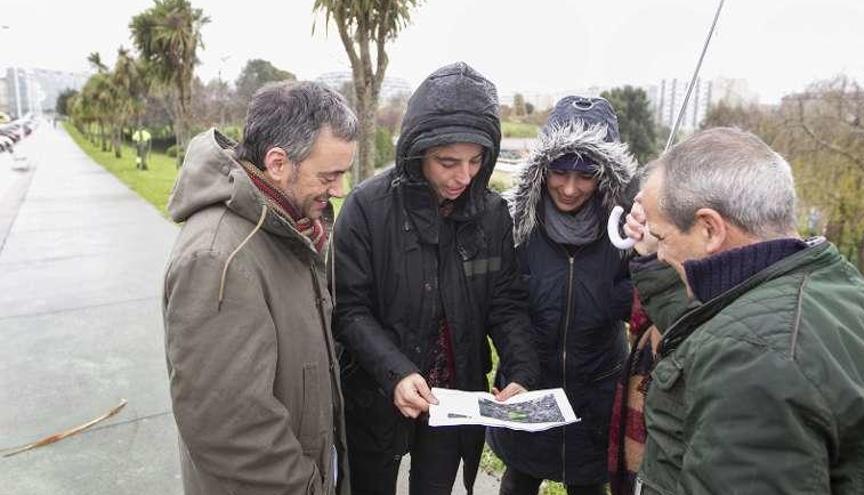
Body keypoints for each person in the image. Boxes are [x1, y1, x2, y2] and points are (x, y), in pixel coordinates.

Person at [622, 127, 864, 493]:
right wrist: (653, 255)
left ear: (710, 228)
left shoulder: (750, 358)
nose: (660, 253)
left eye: (662, 239)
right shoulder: (828, 285)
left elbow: (737, 339)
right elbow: (709, 326)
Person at [331, 61, 539, 495]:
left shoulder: (493, 215)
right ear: (417, 151)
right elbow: (350, 309)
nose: (463, 176)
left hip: (455, 397)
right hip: (378, 392)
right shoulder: (366, 208)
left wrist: (519, 369)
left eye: (475, 161)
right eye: (448, 162)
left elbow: (506, 303)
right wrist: (396, 372)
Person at [162, 80, 357, 495]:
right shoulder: (218, 257)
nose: (339, 189)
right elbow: (229, 430)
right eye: (330, 175)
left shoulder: (291, 227)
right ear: (278, 163)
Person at [485, 96, 636, 495]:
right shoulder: (515, 227)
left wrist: (646, 256)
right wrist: (520, 372)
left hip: (597, 399)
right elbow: (504, 306)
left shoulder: (628, 234)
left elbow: (638, 307)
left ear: (605, 176)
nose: (569, 188)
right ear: (542, 169)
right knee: (519, 479)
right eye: (559, 172)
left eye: (585, 176)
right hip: (529, 387)